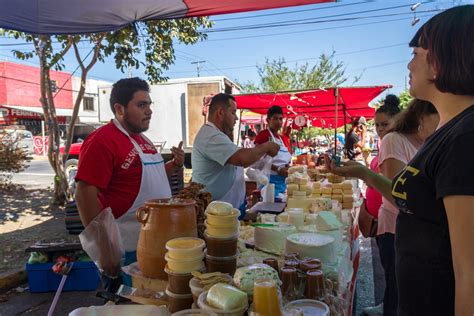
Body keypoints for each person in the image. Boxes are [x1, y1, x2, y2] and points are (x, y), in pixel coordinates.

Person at [327, 6, 474, 314]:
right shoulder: (450, 132)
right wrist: (362, 173)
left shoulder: (465, 138)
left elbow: (469, 269)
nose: (409, 64)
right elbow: (415, 200)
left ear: (440, 62)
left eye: (416, 54)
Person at [75, 77, 185, 290]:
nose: (150, 111)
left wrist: (174, 165)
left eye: (149, 104)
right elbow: (84, 195)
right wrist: (106, 252)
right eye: (142, 105)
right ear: (119, 109)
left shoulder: (143, 140)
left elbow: (145, 176)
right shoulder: (102, 140)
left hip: (157, 243)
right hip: (127, 249)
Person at [373, 99, 440, 316]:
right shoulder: (394, 140)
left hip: (422, 236)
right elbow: (397, 194)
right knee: (397, 294)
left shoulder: (429, 142)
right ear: (422, 118)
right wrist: (362, 173)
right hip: (395, 230)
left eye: (384, 124)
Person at [192, 93, 279, 212]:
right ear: (220, 113)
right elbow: (241, 159)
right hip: (217, 217)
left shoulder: (218, 135)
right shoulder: (210, 136)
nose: (236, 118)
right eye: (233, 113)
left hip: (227, 212)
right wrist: (266, 147)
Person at [254, 105, 292, 197]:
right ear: (268, 120)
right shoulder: (263, 136)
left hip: (282, 182)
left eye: (280, 119)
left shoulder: (282, 138)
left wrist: (287, 168)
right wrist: (278, 169)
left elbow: (285, 159)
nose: (278, 122)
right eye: (275, 118)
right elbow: (257, 160)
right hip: (269, 181)